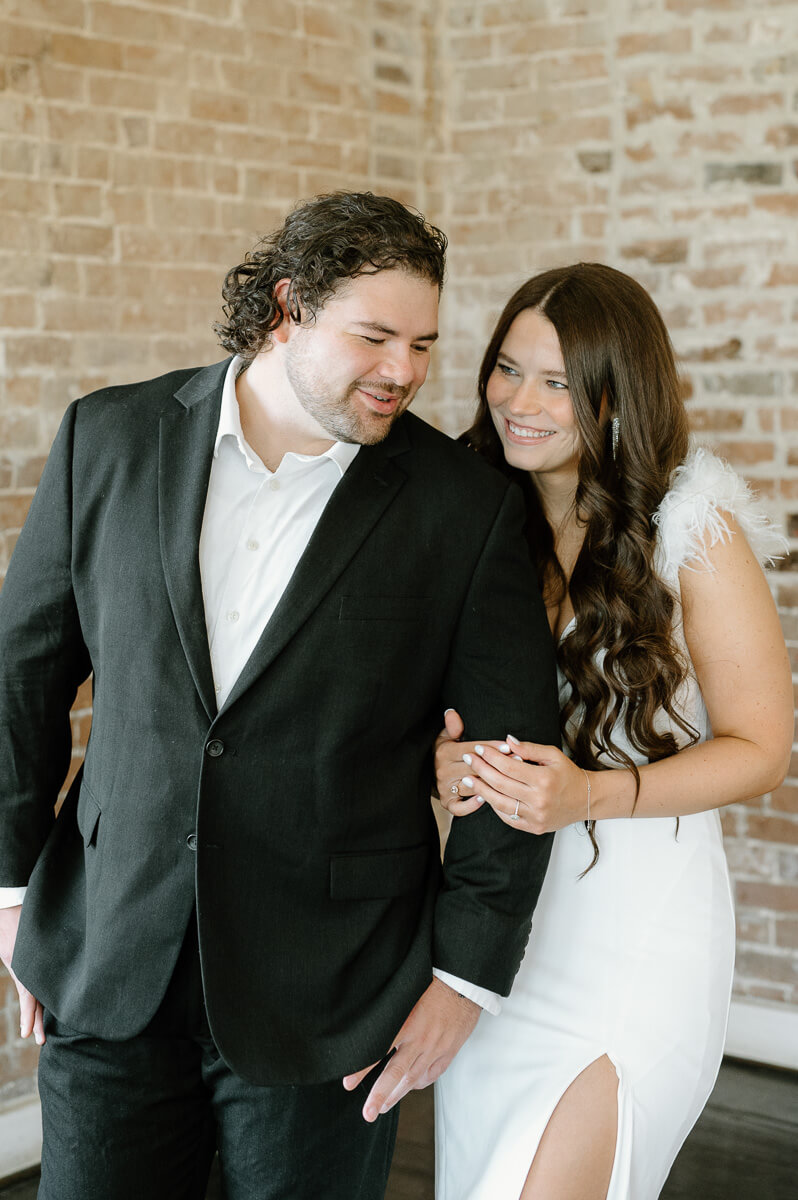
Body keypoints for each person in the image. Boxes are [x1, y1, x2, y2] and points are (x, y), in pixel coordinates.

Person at [0, 192, 561, 1200]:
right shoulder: (107, 438)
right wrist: (7, 893)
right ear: (287, 307)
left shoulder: (462, 508)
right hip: (108, 967)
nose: (406, 370)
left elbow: (513, 757)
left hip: (336, 999)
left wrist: (464, 979)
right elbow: (21, 679)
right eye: (376, 336)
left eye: (425, 343)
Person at [434, 262, 793, 1200]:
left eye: (558, 382)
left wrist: (593, 792)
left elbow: (762, 748)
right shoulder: (472, 510)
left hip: (637, 935)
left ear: (616, 392)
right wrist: (440, 763)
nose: (519, 401)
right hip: (498, 926)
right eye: (507, 369)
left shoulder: (691, 526)